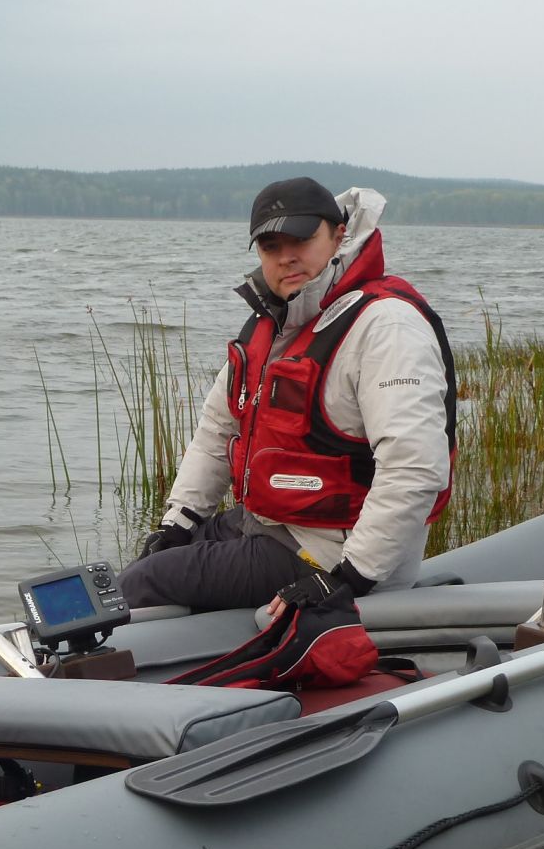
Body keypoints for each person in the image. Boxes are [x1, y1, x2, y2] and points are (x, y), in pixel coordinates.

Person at [118, 177, 456, 615]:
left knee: (144, 582)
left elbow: (414, 469)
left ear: (339, 235)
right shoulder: (273, 325)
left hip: (333, 553)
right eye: (271, 246)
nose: (287, 257)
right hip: (268, 526)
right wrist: (176, 524)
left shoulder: (387, 327)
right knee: (149, 561)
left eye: (301, 239)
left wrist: (348, 579)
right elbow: (216, 434)